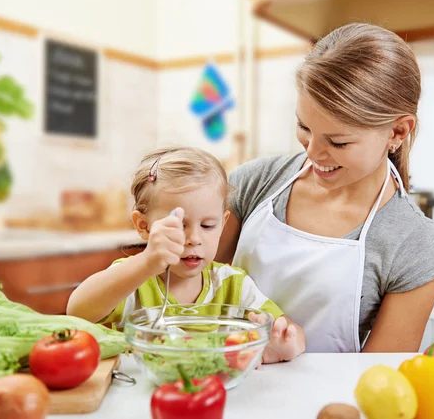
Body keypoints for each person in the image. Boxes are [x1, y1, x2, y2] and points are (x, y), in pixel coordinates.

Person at [216, 23, 434, 353]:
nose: (313, 152)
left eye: (338, 141)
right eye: (304, 127)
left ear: (398, 132)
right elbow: (191, 296)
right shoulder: (253, 184)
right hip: (226, 392)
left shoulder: (415, 248)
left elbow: (377, 382)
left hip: (330, 404)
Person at [67, 147, 306, 363]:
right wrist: (147, 262)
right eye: (179, 225)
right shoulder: (133, 279)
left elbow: (292, 331)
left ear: (223, 224)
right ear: (143, 226)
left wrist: (285, 343)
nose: (193, 238)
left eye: (208, 225)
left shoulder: (233, 284)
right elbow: (77, 311)